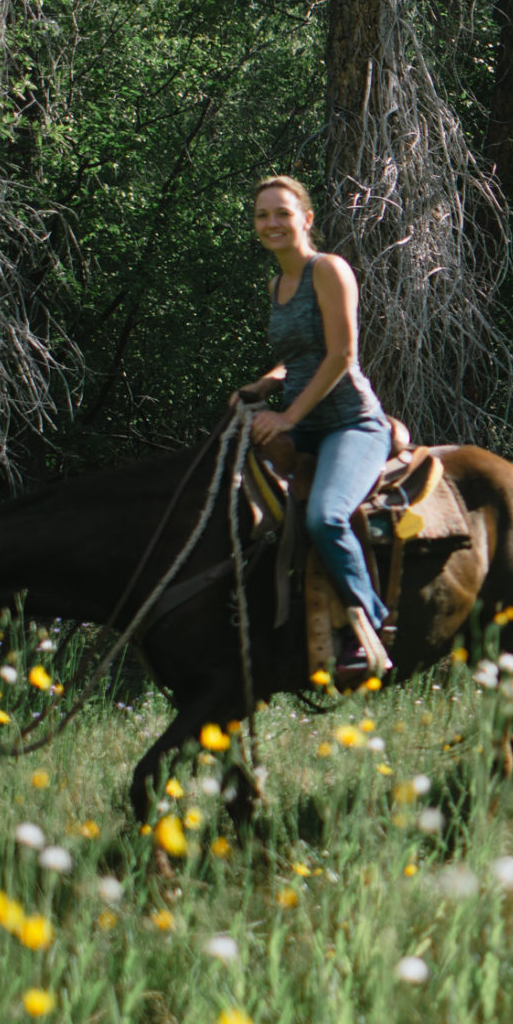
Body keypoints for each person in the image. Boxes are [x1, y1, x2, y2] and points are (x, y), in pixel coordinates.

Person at [230, 176, 392, 684]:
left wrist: (287, 417)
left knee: (325, 517)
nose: (271, 223)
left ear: (306, 218)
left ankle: (373, 627)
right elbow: (299, 357)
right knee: (231, 491)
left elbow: (342, 355)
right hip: (302, 423)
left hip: (350, 423)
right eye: (262, 215)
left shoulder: (329, 270)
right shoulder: (277, 284)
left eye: (282, 212)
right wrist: (263, 385)